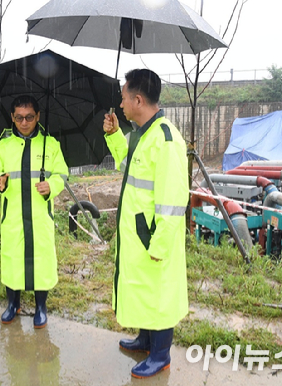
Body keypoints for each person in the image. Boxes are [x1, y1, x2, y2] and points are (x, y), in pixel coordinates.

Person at [102, 69, 189, 378]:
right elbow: (128, 167)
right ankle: (145, 339)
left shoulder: (165, 139)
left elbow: (173, 200)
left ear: (138, 99)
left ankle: (161, 354)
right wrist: (114, 136)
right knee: (143, 288)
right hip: (139, 233)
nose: (121, 105)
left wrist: (159, 243)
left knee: (159, 292)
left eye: (124, 98)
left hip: (152, 235)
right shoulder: (142, 134)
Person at [0, 95, 69, 328]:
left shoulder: (50, 145)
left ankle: (41, 307)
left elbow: (62, 174)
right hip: (14, 217)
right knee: (13, 260)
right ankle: (13, 304)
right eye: (18, 117)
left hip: (40, 216)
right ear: (12, 117)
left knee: (41, 261)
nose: (24, 122)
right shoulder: (2, 146)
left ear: (38, 116)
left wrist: (52, 185)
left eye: (29, 117)